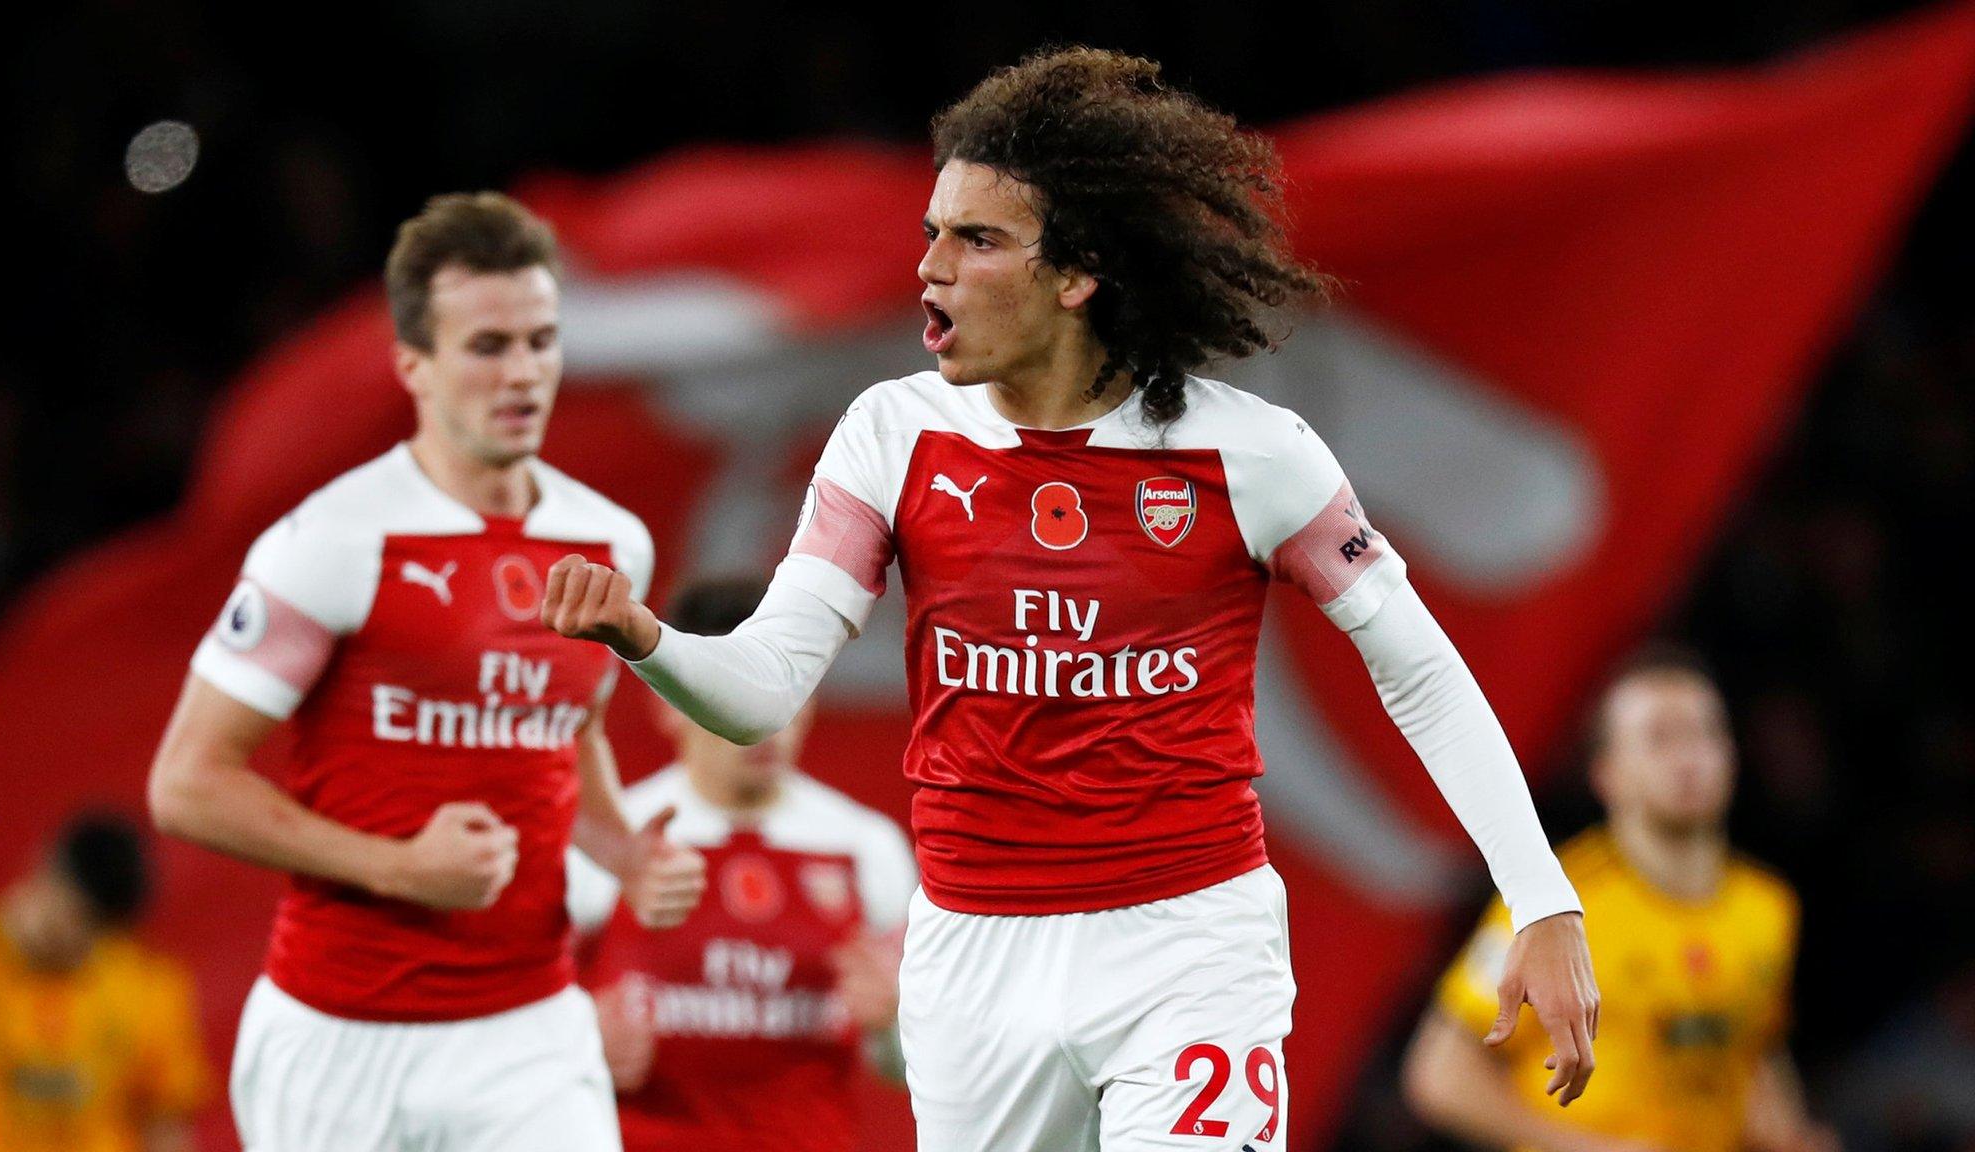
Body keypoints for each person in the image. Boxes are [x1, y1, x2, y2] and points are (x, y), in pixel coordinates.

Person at [542, 48, 1597, 1151]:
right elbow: (761, 692)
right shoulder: (891, 437)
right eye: (931, 234)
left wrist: (1540, 897)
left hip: (1187, 943)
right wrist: (645, 636)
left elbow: (1419, 671)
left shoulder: (1245, 452)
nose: (932, 269)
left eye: (977, 240)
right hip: (974, 954)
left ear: (1076, 274)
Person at [147, 191, 705, 1151]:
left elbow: (562, 730)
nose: (524, 372)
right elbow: (186, 786)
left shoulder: (614, 543)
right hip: (338, 1037)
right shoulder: (333, 541)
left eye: (541, 340)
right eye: (488, 346)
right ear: (413, 364)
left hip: (531, 1032)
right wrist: (398, 867)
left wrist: (619, 850)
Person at [1404, 647, 1839, 1152]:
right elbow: (1439, 1072)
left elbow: (1755, 1053)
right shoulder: (1553, 906)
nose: (1689, 757)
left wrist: (1788, 1136)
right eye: (1660, 738)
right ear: (1606, 773)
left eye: (1704, 733)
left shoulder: (1767, 908)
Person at [564, 576, 917, 1152]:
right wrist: (576, 1041)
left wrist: (896, 1023)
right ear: (668, 702)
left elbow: (907, 1066)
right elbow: (510, 1029)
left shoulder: (866, 848)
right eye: (730, 689)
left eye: (786, 690)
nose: (765, 719)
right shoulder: (612, 842)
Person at [0, 812, 209, 1152]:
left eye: (103, 930)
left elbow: (165, 1121)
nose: (87, 943)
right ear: (46, 874)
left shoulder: (146, 984)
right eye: (80, 918)